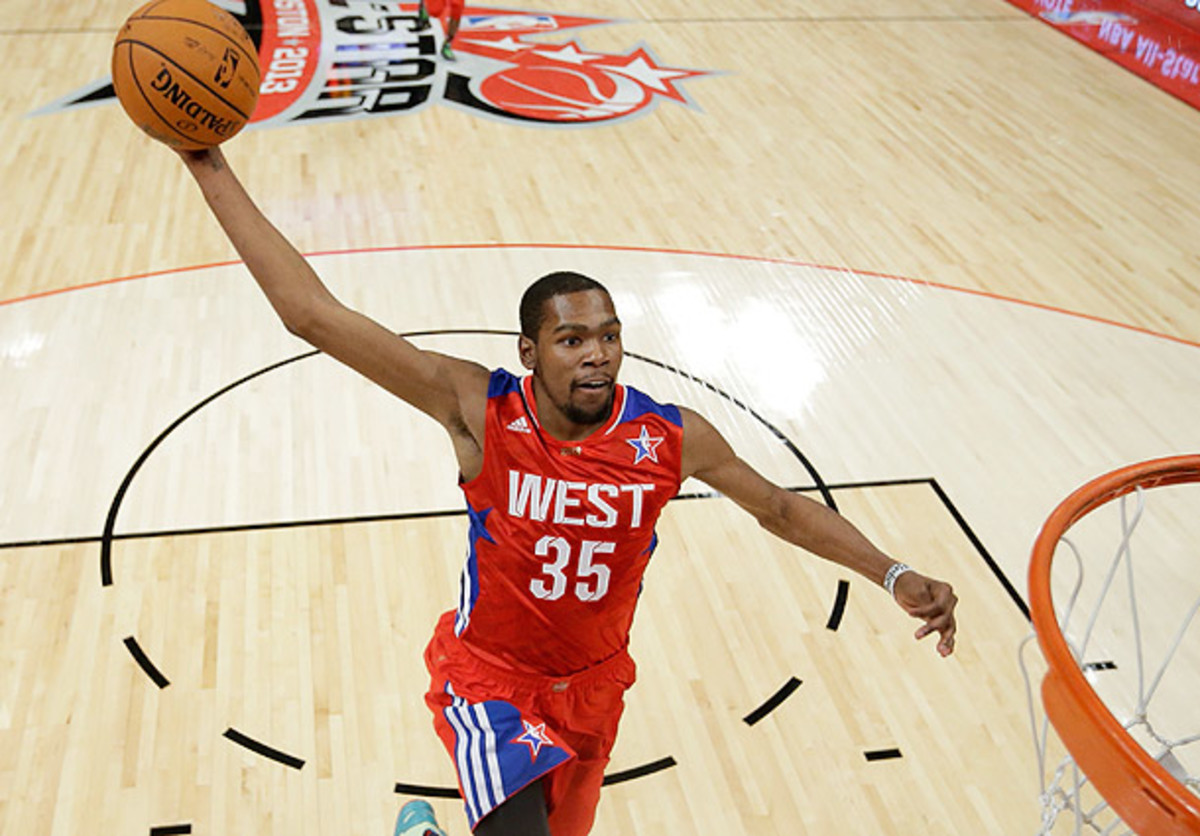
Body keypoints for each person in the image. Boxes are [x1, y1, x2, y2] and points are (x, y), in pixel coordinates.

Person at [175, 147, 958, 836]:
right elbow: (311, 315)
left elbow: (781, 510)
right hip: (490, 684)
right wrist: (207, 165)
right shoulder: (480, 410)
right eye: (572, 339)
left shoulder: (670, 437)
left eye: (609, 335)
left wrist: (892, 572)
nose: (597, 356)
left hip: (593, 690)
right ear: (529, 350)